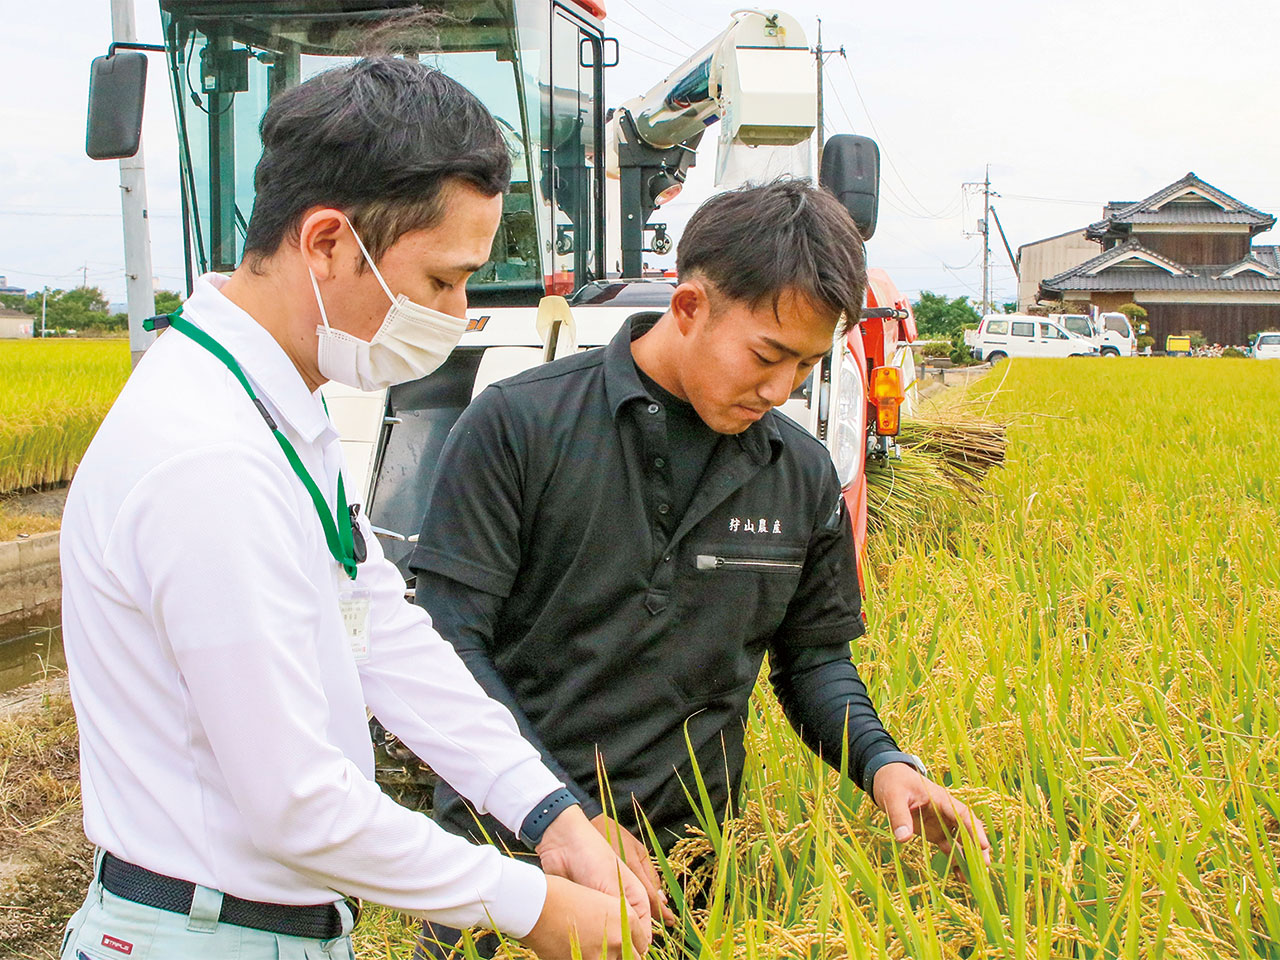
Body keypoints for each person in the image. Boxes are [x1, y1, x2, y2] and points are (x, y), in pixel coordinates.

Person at [58, 58, 652, 960]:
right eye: (444, 281)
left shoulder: (277, 407)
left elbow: (379, 628)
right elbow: (298, 802)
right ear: (329, 242)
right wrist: (527, 904)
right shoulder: (210, 458)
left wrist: (550, 814)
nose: (458, 312)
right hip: (202, 936)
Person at [410, 179, 992, 953]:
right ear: (688, 308)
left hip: (683, 878)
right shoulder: (519, 427)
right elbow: (450, 649)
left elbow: (813, 659)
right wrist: (564, 816)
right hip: (512, 861)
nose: (781, 389)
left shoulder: (799, 472)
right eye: (767, 354)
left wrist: (884, 763)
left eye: (808, 366)